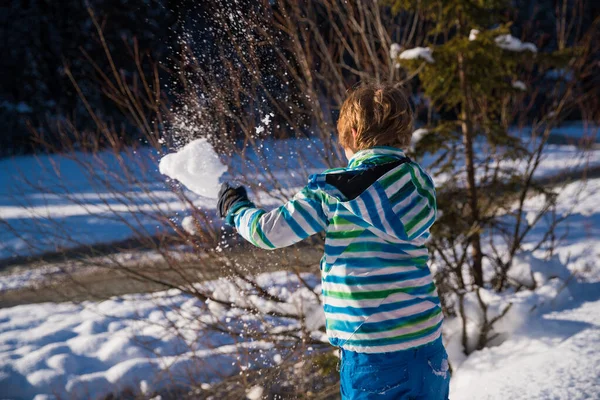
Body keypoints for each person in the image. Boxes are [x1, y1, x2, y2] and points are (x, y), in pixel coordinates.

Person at [217, 83, 450, 399]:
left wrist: (235, 208)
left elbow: (269, 232)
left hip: (372, 354)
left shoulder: (336, 190)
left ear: (352, 135)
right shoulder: (419, 184)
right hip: (428, 347)